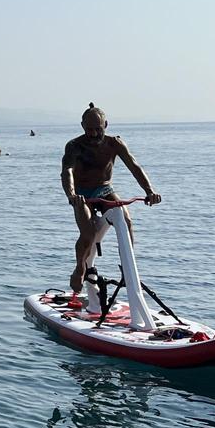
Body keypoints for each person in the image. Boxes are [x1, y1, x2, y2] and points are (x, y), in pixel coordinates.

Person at [61, 103, 161, 293]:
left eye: (97, 129)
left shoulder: (114, 143)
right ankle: (80, 268)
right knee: (88, 233)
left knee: (125, 220)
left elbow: (134, 167)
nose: (93, 134)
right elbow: (67, 171)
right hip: (82, 194)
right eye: (89, 129)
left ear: (105, 125)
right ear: (82, 126)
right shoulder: (74, 146)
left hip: (104, 190)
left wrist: (149, 191)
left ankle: (128, 268)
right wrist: (72, 195)